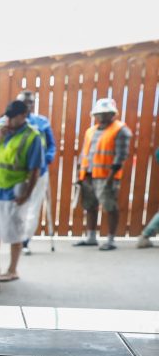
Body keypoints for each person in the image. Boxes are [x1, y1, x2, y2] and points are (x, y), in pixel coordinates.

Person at [0, 100, 42, 281]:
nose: (8, 121)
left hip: (15, 191)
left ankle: (12, 269)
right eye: (6, 117)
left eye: (12, 118)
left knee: (14, 232)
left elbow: (35, 169)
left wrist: (27, 194)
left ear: (23, 116)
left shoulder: (32, 136)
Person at [75, 98, 132, 250]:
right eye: (99, 114)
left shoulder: (121, 130)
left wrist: (111, 177)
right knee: (90, 206)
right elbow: (84, 153)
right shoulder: (91, 131)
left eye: (106, 113)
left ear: (113, 114)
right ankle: (91, 237)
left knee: (109, 206)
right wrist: (80, 172)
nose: (102, 116)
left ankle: (111, 240)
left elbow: (121, 155)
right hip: (88, 174)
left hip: (107, 176)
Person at [7, 91, 56, 253]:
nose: (28, 105)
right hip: (16, 174)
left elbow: (51, 146)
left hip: (38, 171)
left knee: (33, 206)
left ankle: (25, 241)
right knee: (17, 205)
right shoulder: (8, 121)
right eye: (25, 102)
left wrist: (44, 160)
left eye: (30, 102)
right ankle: (15, 239)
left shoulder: (41, 122)